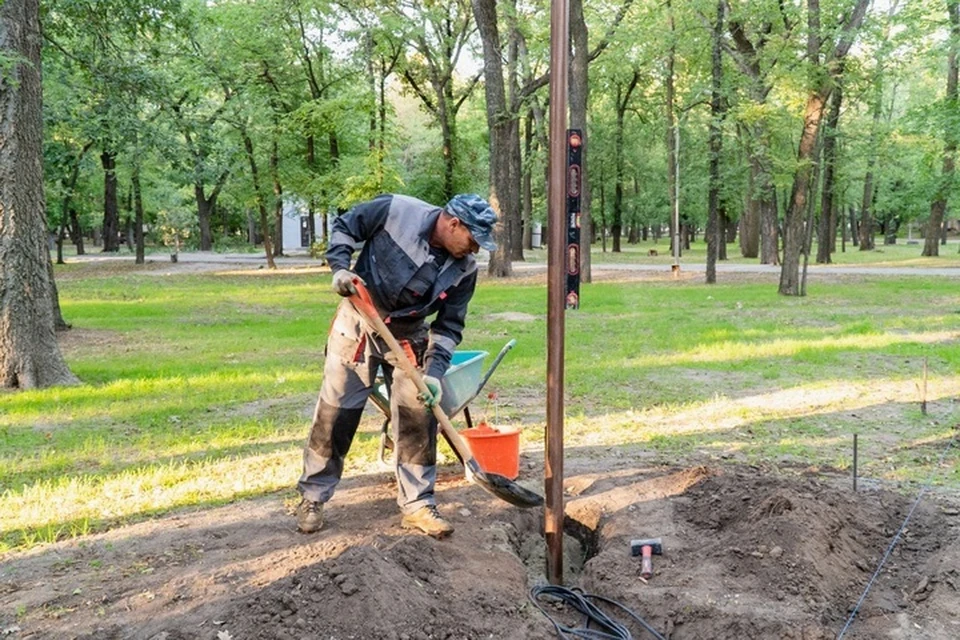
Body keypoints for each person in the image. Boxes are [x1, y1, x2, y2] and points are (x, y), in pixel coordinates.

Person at [296, 193, 498, 538]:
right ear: (453, 223)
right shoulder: (396, 210)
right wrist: (340, 268)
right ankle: (313, 496)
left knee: (418, 418)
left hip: (407, 336)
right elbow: (346, 226)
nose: (476, 249)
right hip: (358, 320)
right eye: (473, 239)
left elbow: (449, 326)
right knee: (336, 412)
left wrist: (433, 375)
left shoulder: (465, 270)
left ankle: (418, 505)